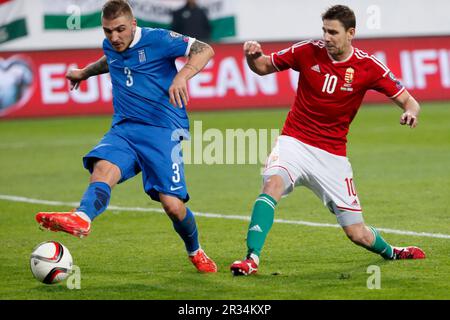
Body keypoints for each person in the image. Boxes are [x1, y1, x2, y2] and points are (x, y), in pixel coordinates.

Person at [230, 5, 425, 276]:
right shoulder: (306, 51)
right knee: (272, 184)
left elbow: (409, 101)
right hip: (294, 142)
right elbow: (262, 67)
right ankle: (251, 258)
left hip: (332, 156)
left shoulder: (368, 66)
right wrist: (253, 57)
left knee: (356, 232)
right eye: (324, 30)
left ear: (351, 33)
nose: (326, 37)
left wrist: (409, 113)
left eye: (333, 32)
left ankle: (392, 252)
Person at [36, 0, 217, 273]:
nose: (114, 37)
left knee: (172, 206)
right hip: (124, 128)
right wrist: (84, 73)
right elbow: (110, 60)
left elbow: (205, 49)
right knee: (102, 167)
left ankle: (196, 251)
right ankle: (83, 217)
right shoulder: (110, 44)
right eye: (108, 31)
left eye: (120, 29)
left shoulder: (158, 39)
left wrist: (183, 76)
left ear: (133, 24)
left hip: (163, 130)